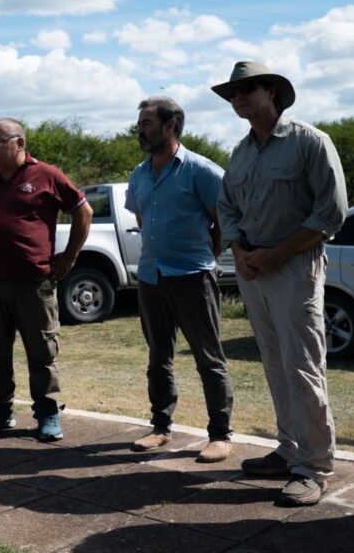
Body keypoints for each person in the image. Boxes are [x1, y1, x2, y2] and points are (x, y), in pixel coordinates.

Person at [214, 61, 348, 507]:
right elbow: (227, 205)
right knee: (274, 363)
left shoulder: (310, 141)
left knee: (303, 365)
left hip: (294, 266)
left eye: (246, 89)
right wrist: (239, 253)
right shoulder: (241, 151)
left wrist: (276, 253)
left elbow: (331, 211)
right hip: (253, 267)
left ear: (272, 92)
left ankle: (313, 467)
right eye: (232, 92)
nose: (237, 98)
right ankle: (290, 450)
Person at [0, 118, 92, 442]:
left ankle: (47, 414)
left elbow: (83, 211)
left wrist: (70, 257)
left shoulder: (46, 175)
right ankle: (0, 412)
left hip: (33, 283)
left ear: (19, 143)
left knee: (42, 352)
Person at [124, 97, 234, 463]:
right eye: (140, 122)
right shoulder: (139, 174)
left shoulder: (201, 171)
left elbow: (223, 220)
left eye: (147, 122)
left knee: (209, 358)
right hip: (152, 278)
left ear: (170, 126)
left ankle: (219, 435)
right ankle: (160, 428)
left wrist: (205, 258)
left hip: (193, 278)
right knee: (159, 358)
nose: (140, 129)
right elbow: (143, 219)